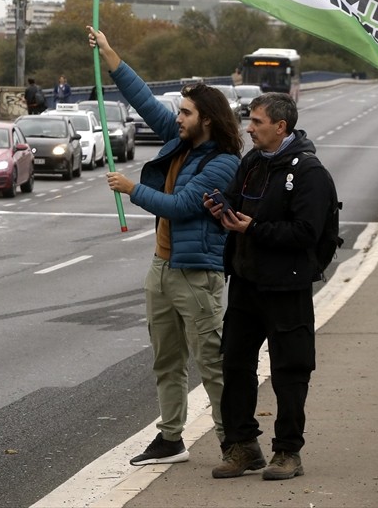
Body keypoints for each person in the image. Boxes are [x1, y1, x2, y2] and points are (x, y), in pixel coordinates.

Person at [88, 26, 242, 467]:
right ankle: (171, 439)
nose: (177, 117)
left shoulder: (223, 162)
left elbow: (182, 206)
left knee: (210, 363)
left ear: (206, 120)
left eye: (186, 112)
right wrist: (110, 52)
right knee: (166, 362)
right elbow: (143, 101)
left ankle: (235, 443)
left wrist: (130, 188)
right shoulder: (181, 141)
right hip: (162, 268)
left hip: (196, 274)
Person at [205, 92, 334, 481]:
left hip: (286, 288)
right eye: (249, 120)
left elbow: (309, 232)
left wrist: (254, 228)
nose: (249, 128)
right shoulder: (252, 163)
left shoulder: (309, 172)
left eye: (257, 122)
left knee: (289, 371)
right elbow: (234, 201)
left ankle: (288, 453)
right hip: (246, 282)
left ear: (281, 127)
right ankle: (242, 447)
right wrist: (220, 210)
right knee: (234, 364)